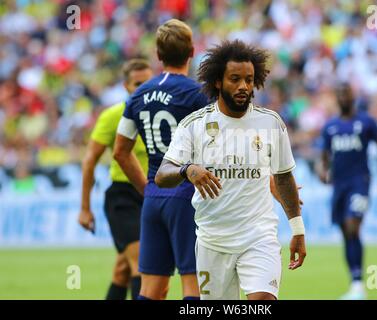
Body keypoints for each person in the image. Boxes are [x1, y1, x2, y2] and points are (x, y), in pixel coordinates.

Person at [155, 39, 307, 300]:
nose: (243, 86)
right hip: (213, 241)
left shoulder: (270, 123)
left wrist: (298, 230)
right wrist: (187, 170)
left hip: (258, 237)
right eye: (235, 79)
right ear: (217, 81)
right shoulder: (194, 125)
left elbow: (283, 177)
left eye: (249, 79)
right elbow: (162, 175)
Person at [113, 19, 209, 300]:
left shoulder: (139, 94)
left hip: (154, 197)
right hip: (187, 196)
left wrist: (147, 189)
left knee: (151, 290)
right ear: (192, 51)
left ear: (157, 54)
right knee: (195, 287)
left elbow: (120, 151)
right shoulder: (197, 95)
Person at [316, 82, 377, 300]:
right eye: (339, 94)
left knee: (352, 226)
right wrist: (322, 172)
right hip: (339, 186)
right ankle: (355, 282)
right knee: (346, 233)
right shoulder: (330, 127)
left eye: (346, 93)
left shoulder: (366, 123)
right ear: (336, 99)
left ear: (353, 96)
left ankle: (358, 287)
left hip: (360, 183)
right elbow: (323, 159)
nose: (343, 97)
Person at [78, 59, 152, 300]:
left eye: (148, 84)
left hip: (151, 196)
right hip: (124, 198)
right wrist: (85, 209)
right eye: (137, 84)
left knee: (122, 269)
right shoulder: (113, 116)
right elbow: (89, 160)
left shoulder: (159, 116)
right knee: (141, 264)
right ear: (126, 86)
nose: (143, 89)